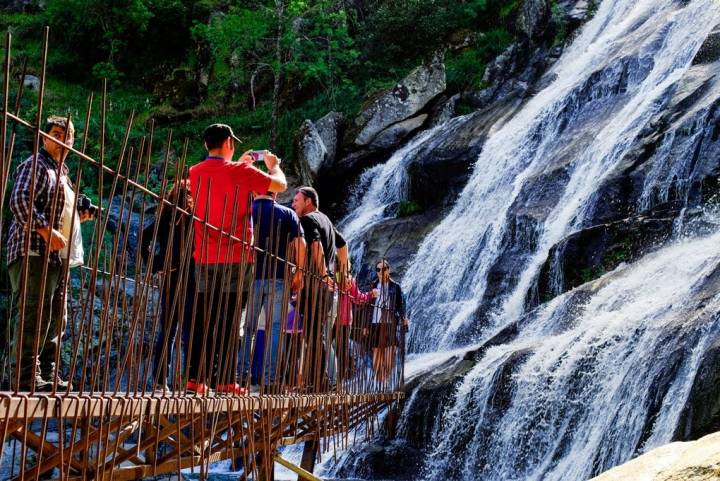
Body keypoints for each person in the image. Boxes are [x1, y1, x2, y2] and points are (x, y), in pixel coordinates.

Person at [187, 123, 286, 395]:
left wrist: (243, 169)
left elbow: (219, 190)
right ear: (229, 142)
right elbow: (280, 185)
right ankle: (224, 379)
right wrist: (272, 165)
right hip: (236, 256)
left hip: (205, 256)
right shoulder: (240, 172)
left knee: (203, 316)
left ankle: (195, 379)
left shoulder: (194, 172)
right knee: (231, 318)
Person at [5, 115, 95, 391]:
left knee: (57, 316)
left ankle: (47, 373)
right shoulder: (36, 164)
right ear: (45, 137)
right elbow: (19, 201)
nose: (60, 140)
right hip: (33, 252)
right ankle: (24, 376)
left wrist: (80, 216)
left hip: (57, 256)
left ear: (72, 142)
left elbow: (61, 214)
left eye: (66, 136)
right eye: (55, 134)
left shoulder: (63, 173)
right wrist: (45, 230)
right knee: (34, 312)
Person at [243, 191, 305, 391]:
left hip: (252, 276)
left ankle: (241, 374)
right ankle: (270, 379)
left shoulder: (247, 210)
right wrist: (299, 273)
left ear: (254, 191)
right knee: (275, 328)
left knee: (249, 327)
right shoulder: (287, 213)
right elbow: (300, 244)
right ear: (275, 192)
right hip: (279, 277)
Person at [291, 186, 349, 391]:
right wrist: (343, 276)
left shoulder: (307, 220)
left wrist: (324, 273)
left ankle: (319, 381)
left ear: (308, 201)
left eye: (296, 200)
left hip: (316, 285)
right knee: (318, 335)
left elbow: (315, 246)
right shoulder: (325, 220)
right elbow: (343, 246)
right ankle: (320, 380)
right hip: (327, 287)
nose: (293, 204)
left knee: (314, 335)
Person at [141, 179, 195, 392]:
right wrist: (156, 264)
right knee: (188, 329)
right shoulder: (193, 217)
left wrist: (155, 263)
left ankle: (160, 381)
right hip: (189, 276)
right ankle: (189, 379)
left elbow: (144, 239)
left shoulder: (165, 215)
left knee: (168, 329)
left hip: (171, 276)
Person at [366, 259, 408, 388]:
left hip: (390, 323)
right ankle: (380, 382)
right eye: (378, 269)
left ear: (388, 270)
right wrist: (365, 326)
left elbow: (401, 305)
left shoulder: (395, 287)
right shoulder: (372, 286)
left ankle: (386, 379)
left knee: (390, 353)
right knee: (377, 353)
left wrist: (404, 317)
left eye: (383, 269)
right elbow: (367, 307)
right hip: (374, 323)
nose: (381, 272)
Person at [335, 273, 376, 384]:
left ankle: (336, 380)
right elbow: (357, 298)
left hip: (335, 317)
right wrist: (370, 295)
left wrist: (369, 295)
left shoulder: (345, 276)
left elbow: (357, 297)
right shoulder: (347, 276)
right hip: (343, 318)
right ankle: (337, 380)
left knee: (337, 348)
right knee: (341, 349)